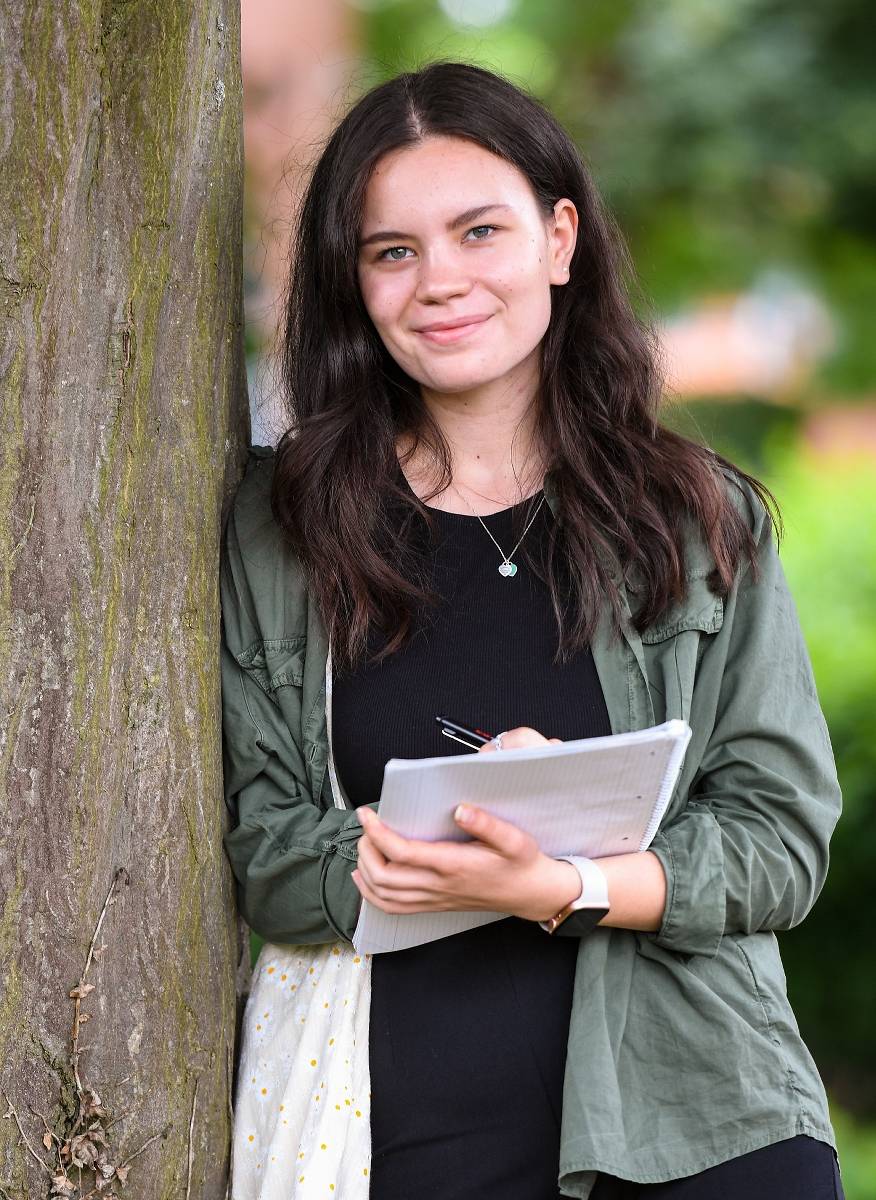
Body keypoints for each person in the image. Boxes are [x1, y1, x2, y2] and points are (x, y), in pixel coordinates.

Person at [220, 60, 844, 1199]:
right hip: (409, 1136)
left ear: (559, 240)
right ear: (353, 282)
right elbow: (265, 846)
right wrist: (424, 858)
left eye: (479, 231)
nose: (440, 281)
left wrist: (563, 882)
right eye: (393, 251)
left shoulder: (698, 518)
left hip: (701, 1132)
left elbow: (781, 841)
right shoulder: (282, 528)